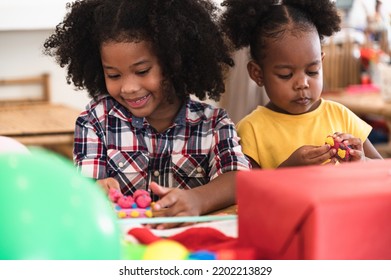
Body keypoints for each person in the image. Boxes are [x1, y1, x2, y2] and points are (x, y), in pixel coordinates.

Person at [43, 0, 250, 228]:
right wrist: (95, 189)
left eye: (142, 71)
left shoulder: (213, 123)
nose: (128, 87)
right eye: (113, 75)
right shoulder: (95, 121)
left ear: (174, 62)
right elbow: (84, 188)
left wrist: (197, 199)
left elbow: (239, 179)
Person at [219, 0, 383, 169]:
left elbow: (382, 170)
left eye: (312, 71)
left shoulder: (341, 116)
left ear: (322, 62)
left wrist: (362, 162)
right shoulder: (251, 130)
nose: (302, 84)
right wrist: (288, 170)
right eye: (286, 75)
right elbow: (248, 191)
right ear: (257, 74)